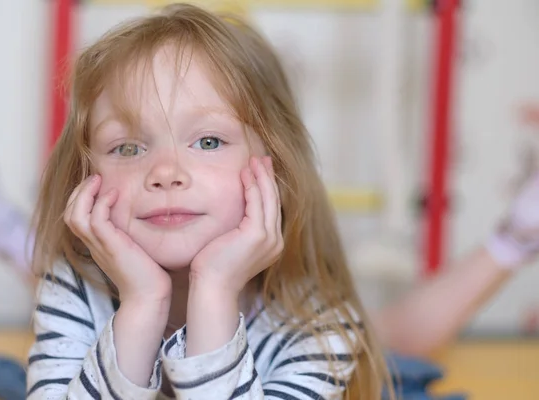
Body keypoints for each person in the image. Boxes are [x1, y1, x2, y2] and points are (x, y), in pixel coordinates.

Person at [25, 4, 392, 399]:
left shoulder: (318, 326)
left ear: (278, 172)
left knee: (400, 330)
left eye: (208, 141)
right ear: (84, 179)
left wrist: (214, 290)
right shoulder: (76, 288)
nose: (165, 172)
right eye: (128, 148)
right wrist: (143, 302)